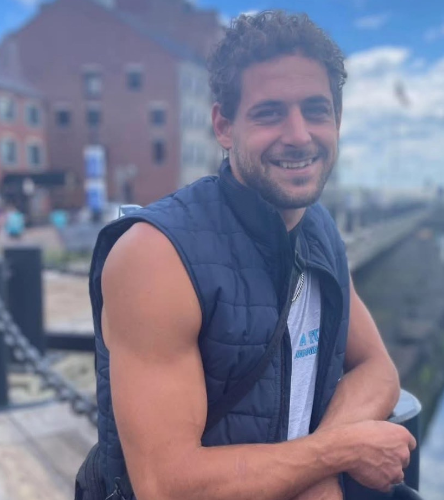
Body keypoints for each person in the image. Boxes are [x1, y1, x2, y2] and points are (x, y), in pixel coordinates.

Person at [89, 11, 415, 500]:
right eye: (269, 113)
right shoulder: (155, 257)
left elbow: (377, 369)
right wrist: (336, 455)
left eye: (316, 110)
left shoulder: (318, 229)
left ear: (338, 120)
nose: (299, 135)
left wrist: (318, 468)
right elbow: (166, 485)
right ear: (224, 126)